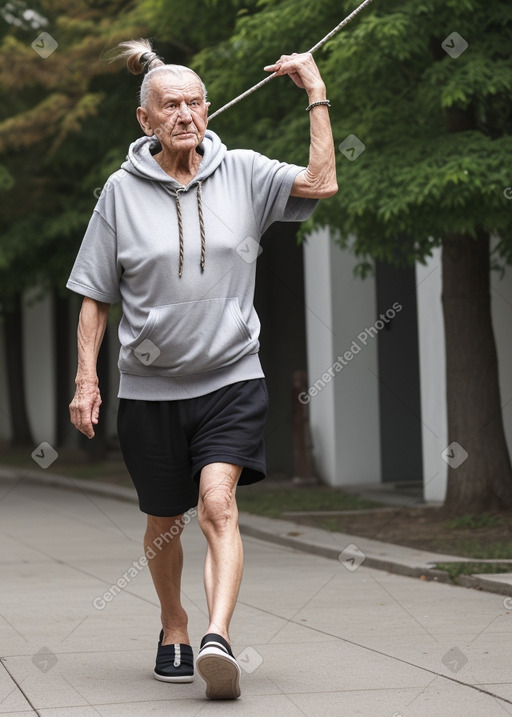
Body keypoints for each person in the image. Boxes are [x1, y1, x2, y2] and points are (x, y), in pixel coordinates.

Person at [67, 37, 337, 701]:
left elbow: (322, 181)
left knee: (219, 505)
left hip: (231, 379)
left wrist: (314, 90)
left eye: (194, 103)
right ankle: (175, 622)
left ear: (208, 110)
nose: (185, 113)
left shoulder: (243, 171)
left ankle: (216, 637)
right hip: (151, 390)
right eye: (171, 105)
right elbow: (96, 294)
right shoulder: (120, 193)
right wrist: (87, 378)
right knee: (166, 523)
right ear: (146, 119)